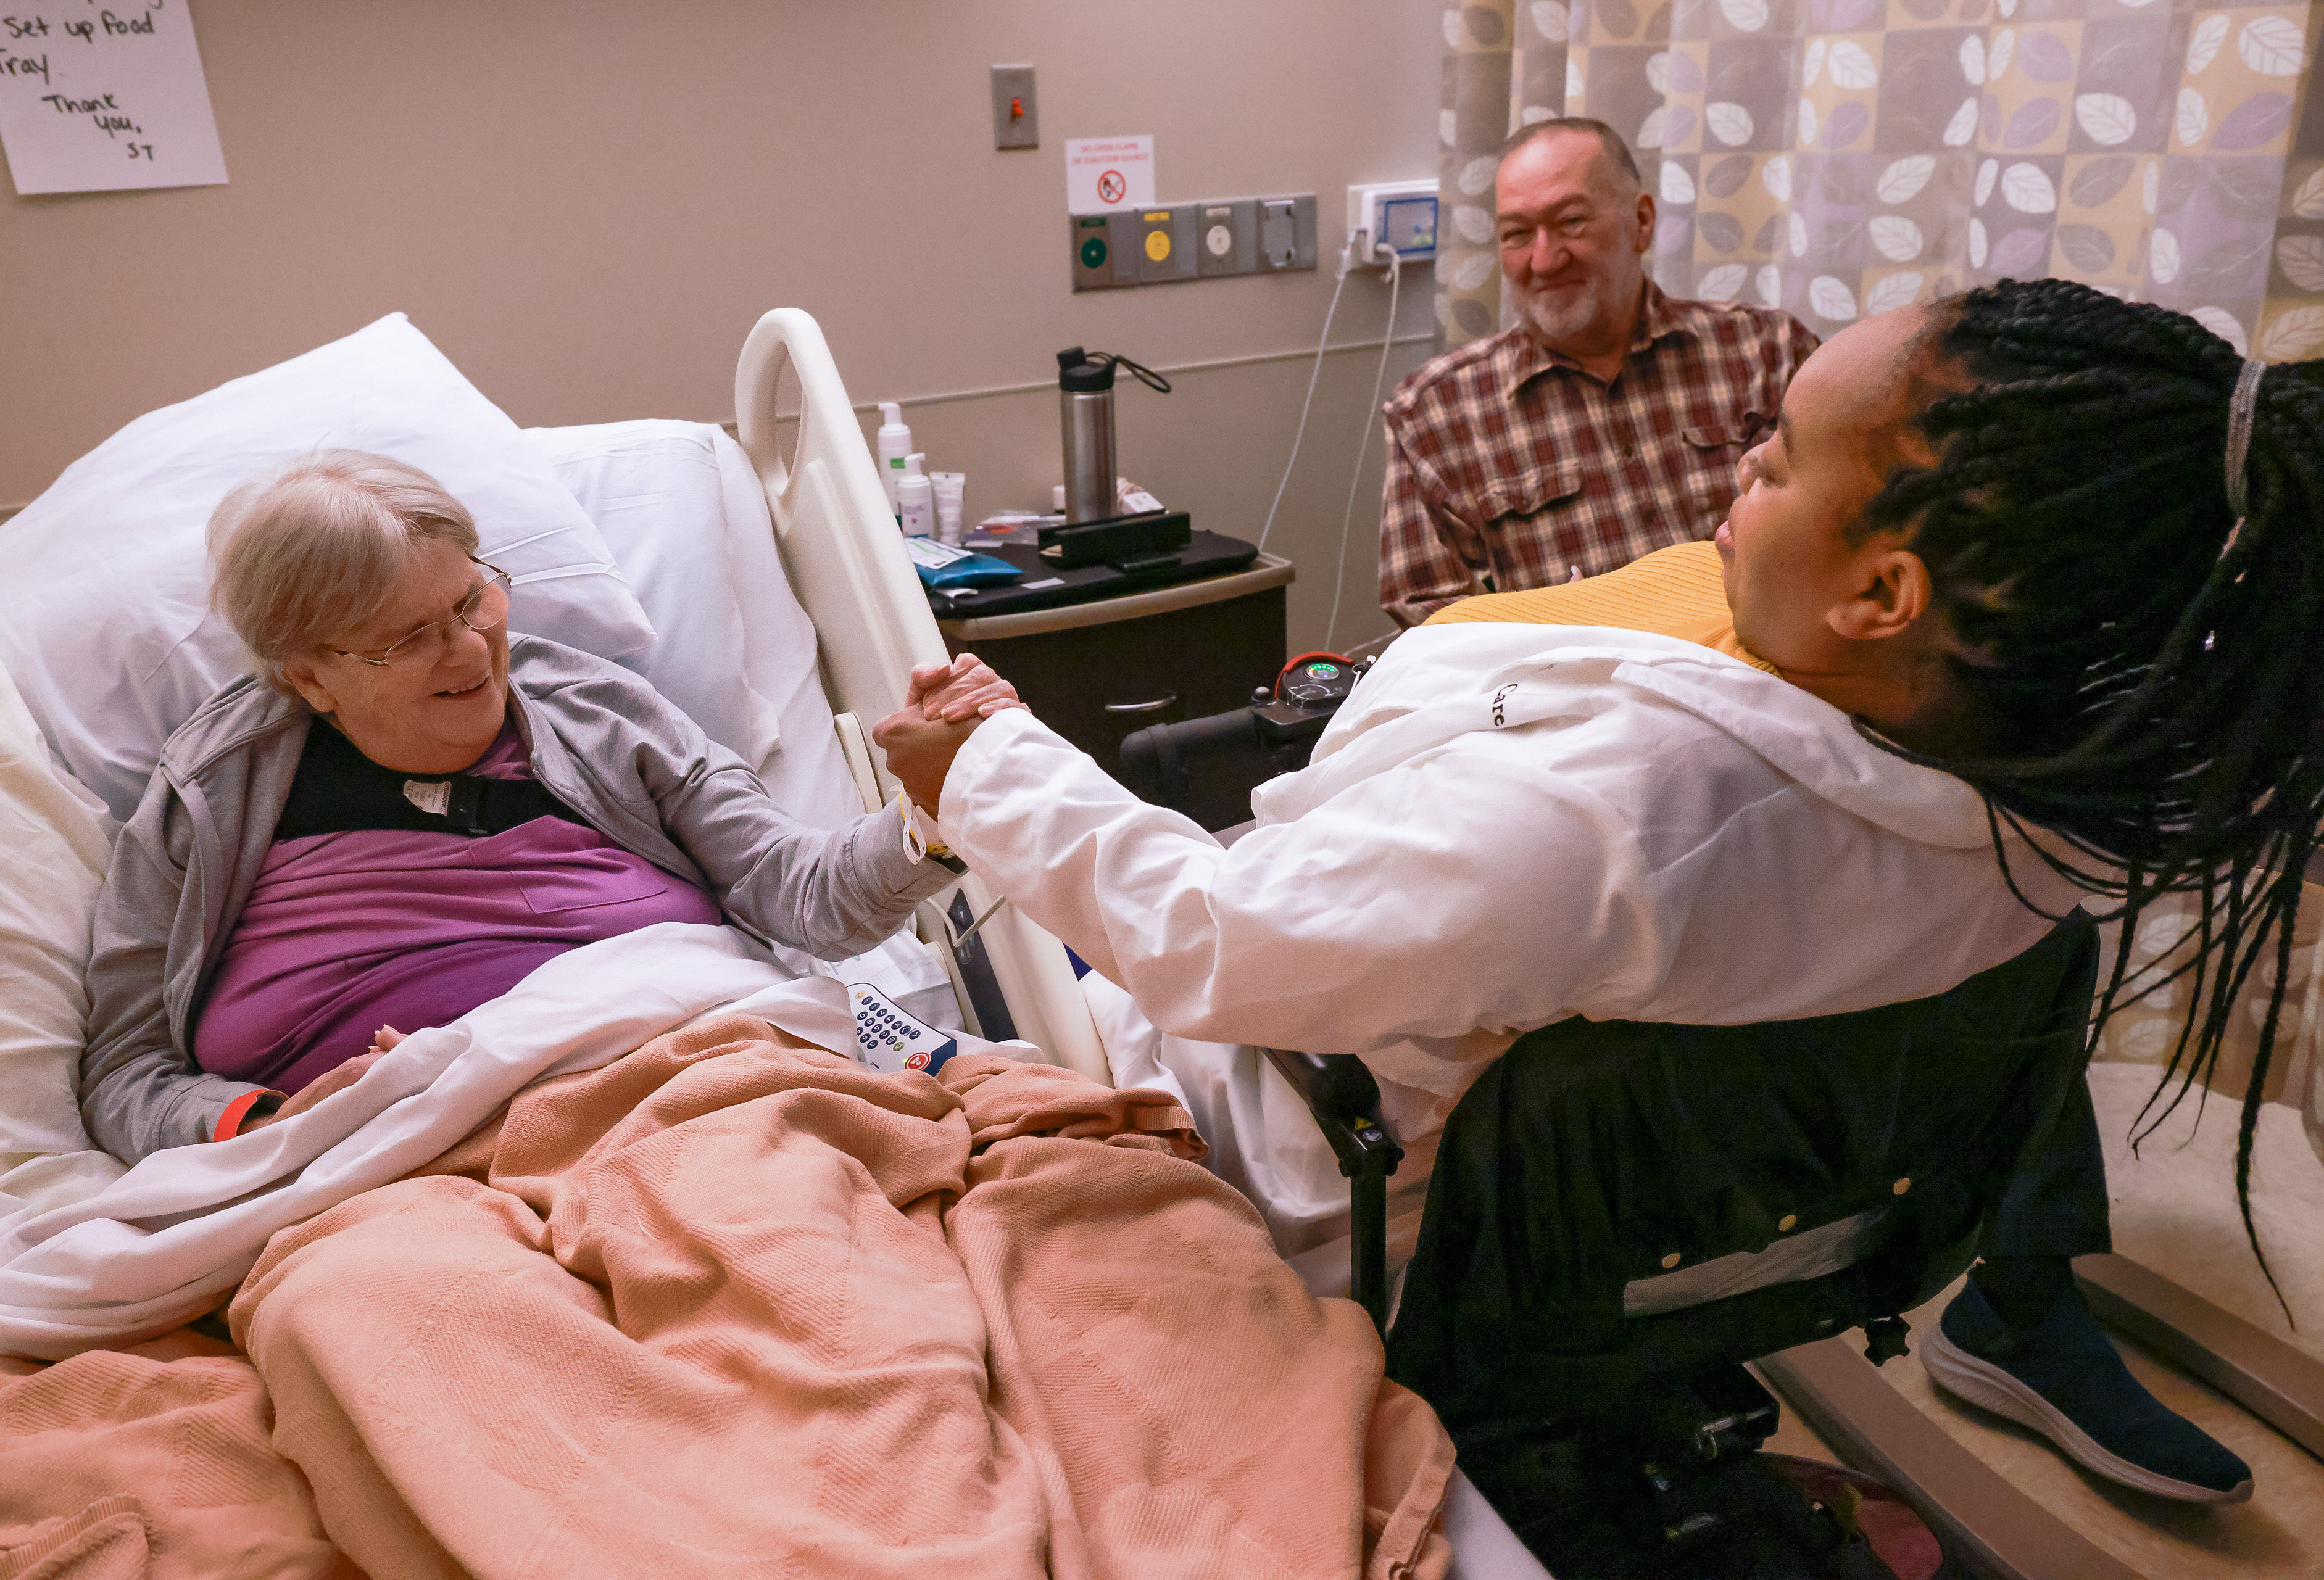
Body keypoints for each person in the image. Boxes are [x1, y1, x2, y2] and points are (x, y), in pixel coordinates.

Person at [878, 279, 2320, 1506]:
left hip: (1329, 1190)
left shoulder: (1603, 821)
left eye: (1778, 454)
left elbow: (1208, 943)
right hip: (1690, 1235)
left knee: (917, 979)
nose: (1737, 465)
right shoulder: (2056, 803)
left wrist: (982, 766)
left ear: (1880, 595)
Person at [80, 450, 1011, 1165]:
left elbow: (800, 893)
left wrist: (929, 808)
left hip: (696, 1094)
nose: (470, 651)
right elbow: (124, 1074)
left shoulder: (600, 714)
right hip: (398, 1171)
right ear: (311, 675)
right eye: (409, 638)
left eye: (471, 598)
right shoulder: (211, 795)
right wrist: (270, 1119)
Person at [1377, 117, 1818, 628]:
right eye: (1517, 234)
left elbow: (1854, 523)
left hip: (1772, 672)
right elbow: (1433, 614)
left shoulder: (1770, 352)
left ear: (1643, 221)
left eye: (1571, 222)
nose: (1544, 259)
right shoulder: (1433, 412)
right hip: (1572, 695)